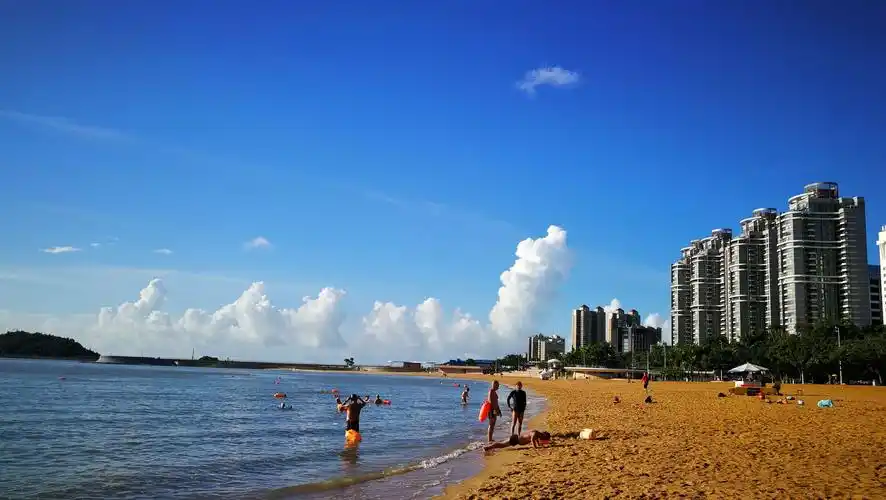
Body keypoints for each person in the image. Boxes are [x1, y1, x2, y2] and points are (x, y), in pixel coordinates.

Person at [483, 430, 551, 452]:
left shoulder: (538, 434)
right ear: (543, 435)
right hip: (515, 439)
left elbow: (536, 440)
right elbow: (532, 439)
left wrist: (539, 445)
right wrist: (535, 448)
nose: (543, 440)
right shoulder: (535, 433)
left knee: (502, 444)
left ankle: (490, 446)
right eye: (545, 438)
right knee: (502, 445)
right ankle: (488, 447)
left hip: (516, 439)